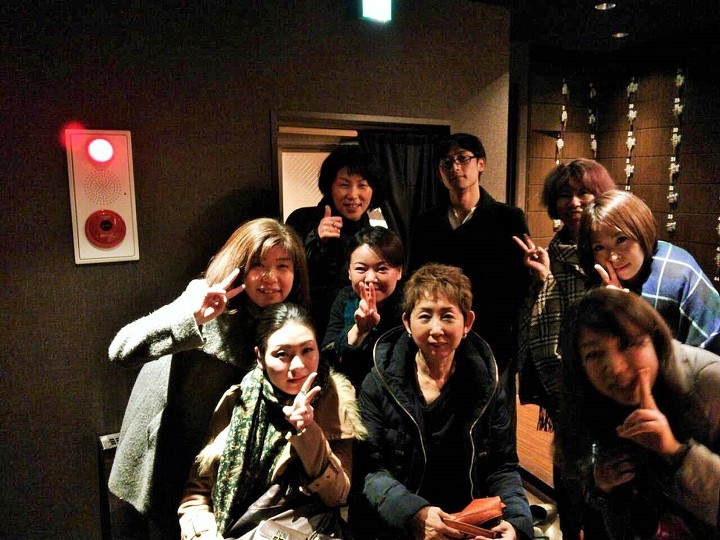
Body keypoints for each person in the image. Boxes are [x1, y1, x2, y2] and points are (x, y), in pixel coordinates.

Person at [108, 218, 310, 539]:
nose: (271, 277)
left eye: (282, 266)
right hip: (167, 458)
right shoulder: (204, 297)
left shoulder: (286, 321)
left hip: (218, 472)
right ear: (239, 267)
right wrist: (192, 318)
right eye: (258, 265)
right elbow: (121, 350)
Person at [350, 263, 534, 540]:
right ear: (407, 323)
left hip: (469, 526)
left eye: (448, 316)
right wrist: (415, 515)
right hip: (399, 528)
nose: (436, 329)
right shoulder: (377, 384)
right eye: (425, 316)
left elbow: (502, 467)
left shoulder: (487, 385)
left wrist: (517, 525)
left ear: (467, 323)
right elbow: (371, 471)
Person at [178, 302, 366, 540]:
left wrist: (308, 430)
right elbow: (197, 492)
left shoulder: (335, 398)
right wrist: (204, 534)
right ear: (260, 357)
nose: (298, 366)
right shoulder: (239, 400)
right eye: (282, 355)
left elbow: (337, 495)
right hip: (232, 531)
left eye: (307, 350)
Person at [555, 287, 720, 539]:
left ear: (655, 339)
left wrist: (675, 452)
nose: (616, 368)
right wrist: (602, 486)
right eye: (594, 354)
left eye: (628, 344)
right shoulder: (592, 398)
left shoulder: (710, 384)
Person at [513, 158, 616, 539]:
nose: (573, 202)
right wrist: (543, 278)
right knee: (568, 465)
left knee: (605, 471)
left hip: (606, 381)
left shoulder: (610, 253)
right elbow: (537, 318)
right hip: (562, 380)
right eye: (564, 195)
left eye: (584, 193)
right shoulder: (552, 253)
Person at [408, 133, 530, 438]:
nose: (455, 167)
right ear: (440, 172)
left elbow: (519, 286)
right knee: (447, 423)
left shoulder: (508, 218)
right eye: (446, 162)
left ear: (481, 164)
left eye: (463, 158)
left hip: (494, 339)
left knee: (496, 422)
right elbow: (416, 281)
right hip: (441, 337)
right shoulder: (426, 222)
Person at [578, 189, 720, 354]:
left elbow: (711, 352)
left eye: (621, 239)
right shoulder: (601, 279)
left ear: (642, 230)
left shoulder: (676, 274)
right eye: (599, 247)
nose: (613, 257)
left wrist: (629, 315)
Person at [286, 144, 386, 339]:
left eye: (362, 185)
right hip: (302, 329)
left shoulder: (374, 237)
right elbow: (286, 277)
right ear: (330, 187)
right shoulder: (301, 220)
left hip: (352, 332)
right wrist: (315, 239)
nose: (353, 195)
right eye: (344, 185)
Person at [322, 225, 405, 390]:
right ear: (349, 272)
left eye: (382, 269)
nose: (370, 278)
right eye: (361, 269)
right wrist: (359, 331)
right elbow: (327, 356)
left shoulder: (410, 304)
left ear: (399, 271)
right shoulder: (345, 299)